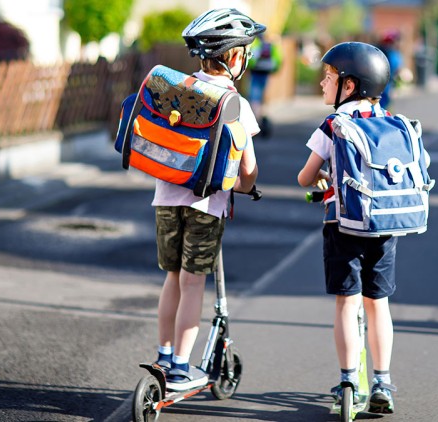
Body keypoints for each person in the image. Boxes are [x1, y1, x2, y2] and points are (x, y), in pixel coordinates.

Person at [151, 7, 263, 391]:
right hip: (206, 205)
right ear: (234, 57)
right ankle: (181, 367)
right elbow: (248, 170)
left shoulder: (177, 90)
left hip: (165, 197)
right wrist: (248, 187)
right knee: (193, 283)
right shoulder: (235, 104)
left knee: (171, 280)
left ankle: (163, 354)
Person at [297, 41, 398, 414]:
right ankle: (382, 381)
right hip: (384, 225)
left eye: (329, 77)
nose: (323, 83)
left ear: (349, 86)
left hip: (344, 224)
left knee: (347, 301)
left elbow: (305, 176)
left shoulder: (334, 125)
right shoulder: (389, 120)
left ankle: (348, 380)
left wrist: (325, 177)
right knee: (378, 303)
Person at [247, 34, 282, 138]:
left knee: (254, 97)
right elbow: (278, 60)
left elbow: (250, 59)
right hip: (266, 72)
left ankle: (256, 121)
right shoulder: (271, 45)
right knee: (262, 96)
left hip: (255, 72)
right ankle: (262, 117)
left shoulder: (255, 44)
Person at [377, 30, 403, 110]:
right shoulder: (387, 53)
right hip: (383, 81)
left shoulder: (395, 54)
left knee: (385, 102)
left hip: (389, 82)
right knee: (382, 102)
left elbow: (397, 69)